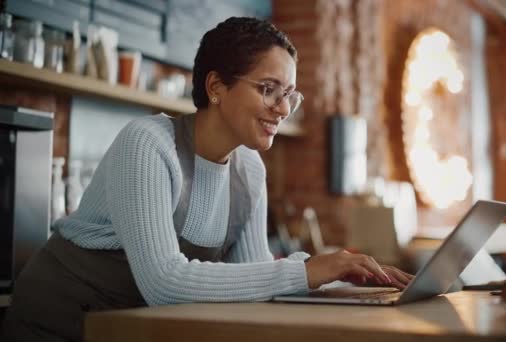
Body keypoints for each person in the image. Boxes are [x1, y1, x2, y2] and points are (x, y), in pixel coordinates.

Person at [1, 17, 413, 342]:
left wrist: (339, 282)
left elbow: (255, 283)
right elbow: (164, 282)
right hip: (56, 324)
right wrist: (309, 271)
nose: (283, 108)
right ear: (215, 86)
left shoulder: (250, 170)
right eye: (269, 90)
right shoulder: (147, 144)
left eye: (289, 94)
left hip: (125, 329)